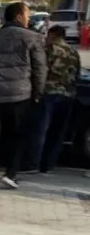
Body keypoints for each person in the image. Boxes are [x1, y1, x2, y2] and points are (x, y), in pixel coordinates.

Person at [0, 1, 46, 190]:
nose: (29, 19)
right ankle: (11, 174)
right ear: (19, 16)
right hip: (20, 95)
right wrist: (38, 93)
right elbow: (40, 68)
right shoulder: (33, 38)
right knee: (18, 135)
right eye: (28, 15)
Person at [37, 25, 80, 174]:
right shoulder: (74, 52)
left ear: (52, 34)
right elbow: (77, 74)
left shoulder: (50, 48)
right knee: (58, 133)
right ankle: (48, 165)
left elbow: (41, 69)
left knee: (42, 130)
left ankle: (35, 163)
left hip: (49, 92)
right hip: (68, 95)